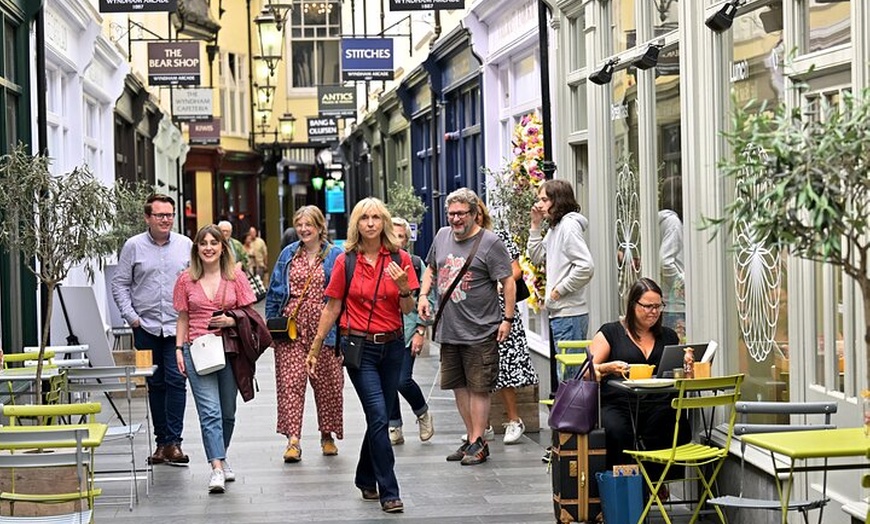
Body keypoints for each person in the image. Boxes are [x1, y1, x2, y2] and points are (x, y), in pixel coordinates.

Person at [307, 198, 418, 514]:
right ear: (356, 224)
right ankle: (389, 491)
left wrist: (404, 288)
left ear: (384, 222)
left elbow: (407, 309)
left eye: (376, 218)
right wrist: (316, 348)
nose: (370, 223)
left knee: (378, 419)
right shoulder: (346, 261)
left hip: (393, 346)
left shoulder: (400, 259)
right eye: (364, 218)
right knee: (379, 416)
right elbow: (332, 306)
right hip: (360, 349)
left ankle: (365, 476)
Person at [418, 188, 515, 466]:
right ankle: (473, 439)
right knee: (459, 386)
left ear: (474, 214)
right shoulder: (441, 236)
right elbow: (431, 269)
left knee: (478, 387)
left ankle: (477, 441)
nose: (456, 219)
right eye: (451, 214)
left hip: (481, 328)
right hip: (449, 328)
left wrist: (507, 319)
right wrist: (424, 295)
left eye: (461, 213)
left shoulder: (490, 242)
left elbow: (507, 280)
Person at [173, 224, 257, 494]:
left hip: (230, 350)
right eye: (203, 243)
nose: (208, 247)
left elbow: (250, 313)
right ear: (197, 248)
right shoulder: (186, 279)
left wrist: (230, 319)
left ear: (223, 247)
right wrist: (178, 349)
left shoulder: (236, 277)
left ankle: (222, 454)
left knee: (227, 413)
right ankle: (217, 468)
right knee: (209, 413)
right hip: (197, 348)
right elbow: (183, 317)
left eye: (214, 242)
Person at [112, 194, 193, 466]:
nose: (166, 220)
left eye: (170, 215)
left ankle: (175, 443)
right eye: (160, 215)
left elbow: (195, 282)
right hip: (145, 327)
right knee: (155, 383)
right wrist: (132, 318)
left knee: (176, 380)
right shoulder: (133, 246)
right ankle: (161, 444)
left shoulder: (185, 245)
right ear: (147, 217)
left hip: (177, 327)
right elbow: (120, 284)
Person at [589, 277, 688, 486]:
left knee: (673, 423)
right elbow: (586, 372)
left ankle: (654, 484)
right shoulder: (611, 333)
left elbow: (675, 373)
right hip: (618, 403)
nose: (653, 311)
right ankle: (624, 486)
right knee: (617, 431)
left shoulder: (669, 336)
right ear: (633, 305)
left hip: (656, 402)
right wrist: (608, 367)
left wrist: (687, 366)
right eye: (647, 306)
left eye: (658, 306)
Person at [265, 206, 344, 463]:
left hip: (325, 328)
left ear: (320, 226)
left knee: (328, 384)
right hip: (292, 328)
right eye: (299, 224)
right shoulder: (289, 253)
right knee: (290, 384)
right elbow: (275, 291)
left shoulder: (335, 255)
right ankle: (293, 441)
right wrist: (271, 327)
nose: (303, 229)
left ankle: (327, 434)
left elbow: (343, 294)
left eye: (309, 224)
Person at [476, 202, 539, 445]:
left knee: (505, 366)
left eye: (477, 214)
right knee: (477, 367)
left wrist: (495, 281)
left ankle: (514, 420)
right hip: (473, 313)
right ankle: (484, 425)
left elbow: (515, 271)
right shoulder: (458, 241)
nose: (475, 219)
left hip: (501, 309)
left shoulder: (498, 237)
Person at [528, 179, 595, 378]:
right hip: (562, 313)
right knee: (567, 375)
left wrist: (559, 291)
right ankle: (570, 410)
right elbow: (537, 257)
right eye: (539, 199)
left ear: (558, 201)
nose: (539, 204)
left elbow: (586, 266)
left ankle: (572, 410)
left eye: (544, 199)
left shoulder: (568, 227)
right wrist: (535, 226)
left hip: (570, 313)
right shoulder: (555, 228)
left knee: (569, 376)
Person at [387, 217, 435, 446]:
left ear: (407, 240)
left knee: (402, 380)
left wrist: (420, 330)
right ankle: (394, 424)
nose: (396, 240)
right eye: (392, 234)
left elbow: (428, 298)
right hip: (383, 331)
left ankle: (422, 412)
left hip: (406, 333)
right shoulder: (380, 262)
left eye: (401, 236)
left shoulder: (415, 263)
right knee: (387, 382)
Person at [659, 176, 685, 339]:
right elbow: (665, 261)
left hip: (667, 301)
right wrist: (680, 286)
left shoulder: (661, 220)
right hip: (675, 304)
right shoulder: (673, 222)